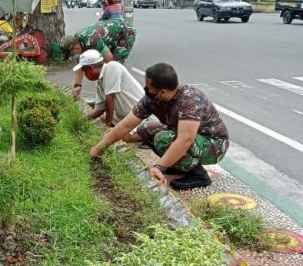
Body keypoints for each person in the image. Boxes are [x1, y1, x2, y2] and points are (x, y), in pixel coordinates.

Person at [90, 63, 229, 190]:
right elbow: (126, 124)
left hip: (213, 144)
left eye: (149, 88)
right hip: (189, 138)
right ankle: (178, 166)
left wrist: (159, 167)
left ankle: (199, 175)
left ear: (162, 91)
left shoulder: (190, 100)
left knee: (164, 139)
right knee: (146, 129)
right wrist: (99, 147)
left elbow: (185, 139)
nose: (147, 91)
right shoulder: (152, 99)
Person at [60, 19, 136, 97]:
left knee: (115, 67)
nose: (72, 56)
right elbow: (79, 66)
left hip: (125, 33)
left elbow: (109, 61)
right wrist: (77, 85)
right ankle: (105, 97)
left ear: (76, 48)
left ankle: (121, 95)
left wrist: (106, 81)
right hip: (111, 36)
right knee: (105, 74)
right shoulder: (77, 43)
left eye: (71, 54)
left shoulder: (92, 41)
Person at [73, 49, 143, 127]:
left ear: (90, 68)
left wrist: (107, 125)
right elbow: (99, 109)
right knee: (102, 118)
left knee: (119, 134)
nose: (85, 75)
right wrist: (80, 120)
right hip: (125, 115)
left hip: (140, 116)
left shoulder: (112, 67)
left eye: (85, 71)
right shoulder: (100, 82)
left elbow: (109, 99)